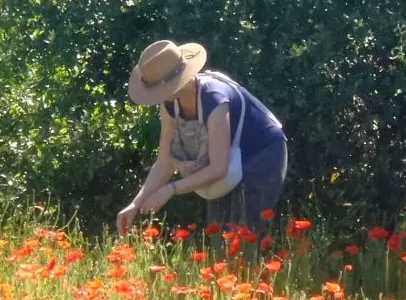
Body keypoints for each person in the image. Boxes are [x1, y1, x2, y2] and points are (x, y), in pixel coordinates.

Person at [116, 40, 288, 235]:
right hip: (228, 157)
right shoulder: (170, 105)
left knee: (247, 236)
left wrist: (170, 189)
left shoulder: (215, 100)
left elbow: (218, 169)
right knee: (219, 234)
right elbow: (165, 162)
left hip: (261, 152)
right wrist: (135, 204)